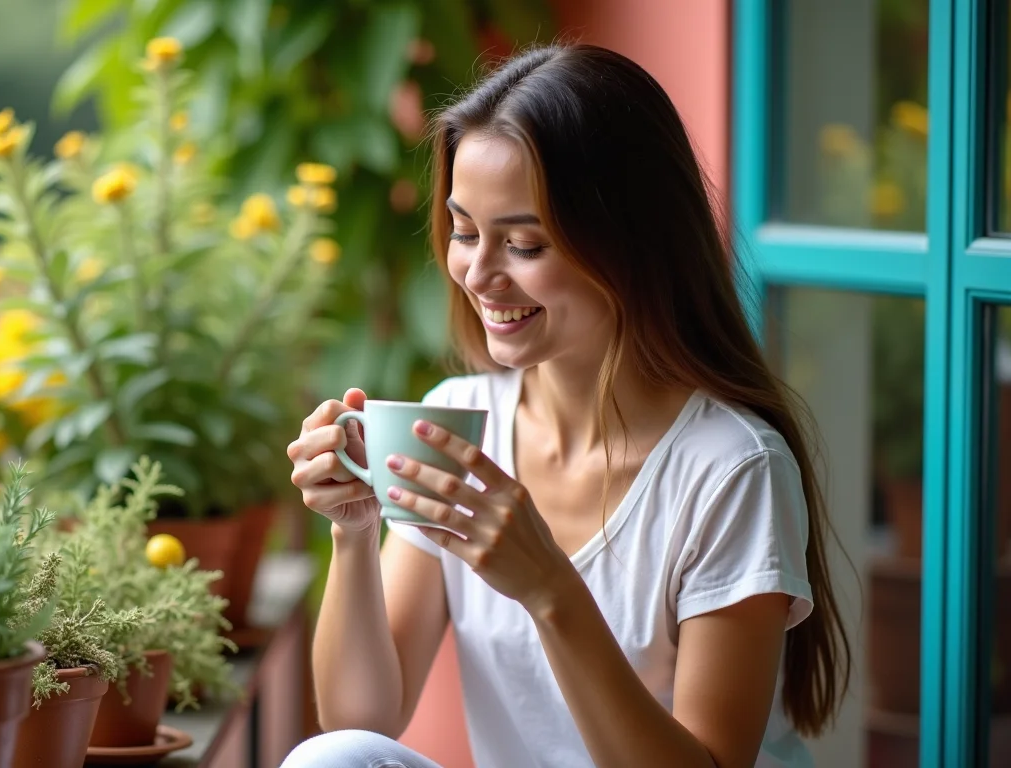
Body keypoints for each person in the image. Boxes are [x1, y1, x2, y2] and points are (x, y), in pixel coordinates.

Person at [282, 42, 849, 768]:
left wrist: (551, 589)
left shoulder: (732, 469)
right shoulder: (458, 421)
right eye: (463, 232)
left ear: (628, 240)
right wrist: (355, 534)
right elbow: (360, 719)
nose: (478, 275)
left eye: (523, 243)